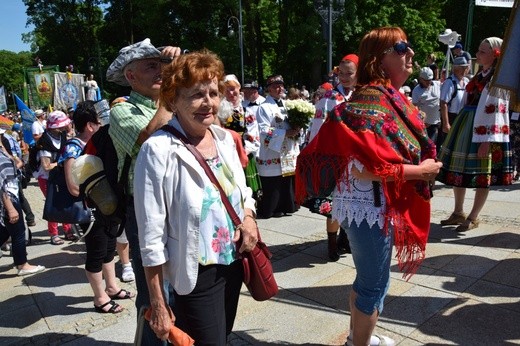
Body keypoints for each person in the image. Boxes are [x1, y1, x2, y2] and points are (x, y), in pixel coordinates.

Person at [297, 27, 441, 346]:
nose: (411, 54)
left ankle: (357, 337)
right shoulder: (373, 98)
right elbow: (366, 169)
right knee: (375, 286)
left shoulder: (384, 96)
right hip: (369, 208)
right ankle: (358, 343)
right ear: (380, 59)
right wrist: (421, 171)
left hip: (369, 206)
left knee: (368, 281)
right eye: (402, 48)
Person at [134, 49, 258, 345]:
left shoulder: (225, 139)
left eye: (213, 93)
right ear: (173, 100)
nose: (209, 103)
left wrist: (250, 218)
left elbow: (243, 193)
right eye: (196, 95)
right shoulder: (157, 150)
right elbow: (150, 237)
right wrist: (158, 303)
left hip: (233, 263)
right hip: (194, 273)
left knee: (221, 335)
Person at [106, 37, 180, 345]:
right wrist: (171, 93)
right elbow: (150, 138)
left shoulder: (175, 101)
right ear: (131, 77)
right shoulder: (121, 111)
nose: (161, 72)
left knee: (180, 286)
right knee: (155, 295)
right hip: (146, 213)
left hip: (178, 205)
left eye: (163, 66)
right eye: (151, 66)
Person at [59, 100, 134, 313]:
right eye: (99, 121)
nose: (102, 124)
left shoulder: (99, 142)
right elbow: (74, 187)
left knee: (109, 248)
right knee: (96, 252)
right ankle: (99, 297)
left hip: (105, 208)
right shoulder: (74, 148)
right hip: (90, 210)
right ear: (90, 125)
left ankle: (111, 287)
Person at [437, 37, 513, 231]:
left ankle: (473, 216)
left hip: (483, 129)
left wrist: (487, 140)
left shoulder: (497, 79)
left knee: (482, 173)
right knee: (458, 170)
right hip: (467, 123)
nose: (477, 54)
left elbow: (497, 110)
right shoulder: (480, 75)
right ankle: (458, 212)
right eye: (479, 50)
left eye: (482, 51)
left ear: (495, 55)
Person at [305, 53, 359, 261]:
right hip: (333, 158)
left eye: (349, 73)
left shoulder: (361, 95)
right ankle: (331, 244)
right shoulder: (329, 98)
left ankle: (346, 239)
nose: (344, 77)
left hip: (355, 159)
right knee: (335, 204)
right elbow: (317, 128)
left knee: (352, 202)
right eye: (341, 73)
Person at [256, 75, 300, 219]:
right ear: (268, 89)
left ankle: (288, 206)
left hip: (287, 148)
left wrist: (298, 128)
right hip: (273, 151)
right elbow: (263, 131)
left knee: (287, 179)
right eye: (275, 86)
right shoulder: (263, 107)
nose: (279, 88)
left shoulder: (288, 105)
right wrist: (285, 133)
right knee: (274, 181)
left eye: (281, 85)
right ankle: (272, 209)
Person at [0, 146, 45, 276]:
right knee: (18, 232)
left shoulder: (2, 151)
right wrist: (10, 208)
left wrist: (5, 150)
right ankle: (22, 265)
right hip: (8, 199)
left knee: (5, 231)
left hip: (11, 195)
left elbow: (17, 163)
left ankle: (21, 263)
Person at [36, 111, 77, 245]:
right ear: (55, 127)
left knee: (64, 201)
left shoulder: (62, 135)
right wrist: (63, 162)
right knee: (53, 204)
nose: (66, 126)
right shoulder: (45, 142)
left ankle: (68, 229)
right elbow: (46, 166)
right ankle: (53, 234)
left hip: (60, 174)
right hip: (46, 178)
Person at [1, 126, 35, 227]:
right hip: (11, 175)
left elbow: (13, 159)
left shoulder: (6, 141)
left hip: (11, 177)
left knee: (18, 197)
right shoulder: (8, 138)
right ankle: (29, 218)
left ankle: (29, 219)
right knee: (20, 197)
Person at [438, 56, 470, 146]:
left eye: (466, 68)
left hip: (461, 117)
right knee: (446, 144)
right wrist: (446, 123)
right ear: (455, 69)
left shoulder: (466, 82)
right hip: (451, 117)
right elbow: (443, 103)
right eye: (462, 68)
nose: (464, 70)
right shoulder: (449, 83)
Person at [412, 67, 442, 145]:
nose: (428, 82)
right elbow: (414, 107)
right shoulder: (416, 90)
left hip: (438, 121)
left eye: (430, 80)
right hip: (425, 124)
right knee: (428, 145)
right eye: (426, 81)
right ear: (421, 79)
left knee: (438, 145)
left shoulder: (438, 85)